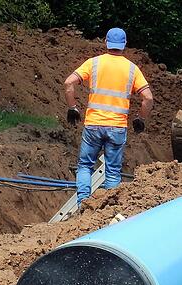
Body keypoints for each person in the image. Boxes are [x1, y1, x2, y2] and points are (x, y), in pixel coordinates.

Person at [64, 28, 154, 206]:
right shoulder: (132, 69)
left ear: (106, 42)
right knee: (113, 171)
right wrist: (140, 118)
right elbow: (148, 98)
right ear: (124, 44)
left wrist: (73, 108)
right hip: (117, 127)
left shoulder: (93, 63)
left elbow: (69, 83)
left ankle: (83, 203)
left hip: (93, 125)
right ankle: (109, 209)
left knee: (85, 166)